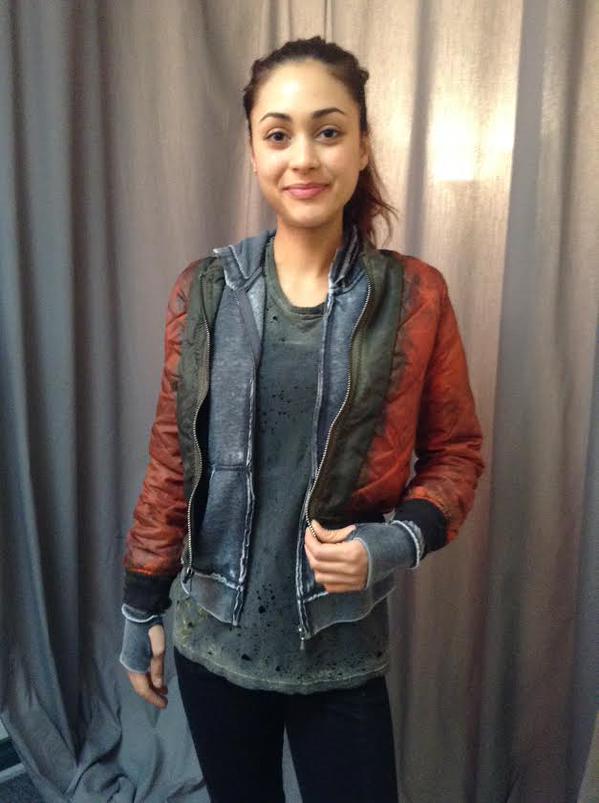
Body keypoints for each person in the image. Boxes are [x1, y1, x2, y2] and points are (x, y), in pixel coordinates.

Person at [118, 35, 485, 803]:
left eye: (328, 130)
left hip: (338, 646)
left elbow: (455, 453)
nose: (303, 158)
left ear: (361, 146)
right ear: (254, 153)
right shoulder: (205, 291)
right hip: (212, 638)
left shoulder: (413, 297)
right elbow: (172, 458)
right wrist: (139, 604)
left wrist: (394, 541)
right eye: (278, 134)